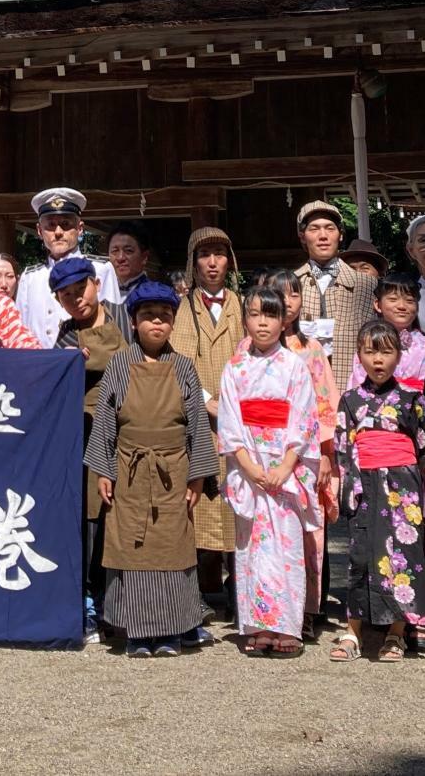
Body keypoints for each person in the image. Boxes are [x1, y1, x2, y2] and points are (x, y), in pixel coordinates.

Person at [84, 279, 217, 656]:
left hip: (173, 471)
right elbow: (106, 421)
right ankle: (138, 633)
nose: (156, 324)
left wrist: (198, 476)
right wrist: (105, 471)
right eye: (147, 317)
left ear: (172, 323)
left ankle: (174, 630)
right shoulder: (120, 364)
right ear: (135, 321)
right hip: (128, 469)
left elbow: (196, 423)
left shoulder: (184, 367)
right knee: (132, 550)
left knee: (171, 550)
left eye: (163, 317)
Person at [217, 282, 321, 657]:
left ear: (283, 320)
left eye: (271, 315)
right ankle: (259, 625)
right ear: (245, 319)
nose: (262, 323)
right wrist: (248, 467)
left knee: (286, 546)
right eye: (255, 314)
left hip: (284, 467)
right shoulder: (235, 368)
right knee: (252, 549)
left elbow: (305, 420)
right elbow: (229, 422)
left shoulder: (294, 365)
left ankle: (287, 626)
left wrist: (285, 466)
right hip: (250, 467)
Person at [241, 270, 339, 641]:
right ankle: (260, 613)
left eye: (294, 293)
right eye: (279, 295)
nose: (288, 300)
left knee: (308, 533)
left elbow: (323, 405)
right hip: (256, 452)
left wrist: (324, 452)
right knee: (260, 538)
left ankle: (307, 608)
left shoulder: (311, 350)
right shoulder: (243, 353)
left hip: (301, 452)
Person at [332, 317, 425, 663]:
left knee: (401, 557)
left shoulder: (412, 399)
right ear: (359, 356)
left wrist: (412, 478)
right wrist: (350, 484)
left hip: (402, 486)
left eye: (386, 352)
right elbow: (343, 447)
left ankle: (396, 633)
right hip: (365, 481)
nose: (378, 360)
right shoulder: (349, 401)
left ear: (399, 356)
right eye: (370, 352)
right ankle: (353, 632)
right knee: (360, 557)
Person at [52, 253, 127, 639]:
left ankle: (132, 605)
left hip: (132, 430)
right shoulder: (65, 335)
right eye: (65, 295)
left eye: (80, 288)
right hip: (87, 436)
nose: (75, 299)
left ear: (96, 284)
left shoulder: (127, 317)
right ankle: (92, 602)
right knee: (92, 521)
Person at [171, 225, 243, 611]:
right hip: (198, 421)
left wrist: (231, 404)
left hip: (242, 422)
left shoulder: (245, 304)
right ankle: (197, 592)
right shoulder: (185, 308)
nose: (212, 262)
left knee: (239, 506)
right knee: (200, 504)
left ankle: (243, 589)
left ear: (230, 260)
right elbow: (181, 362)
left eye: (219, 253)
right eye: (204, 254)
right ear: (193, 262)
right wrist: (205, 401)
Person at [15, 189, 122, 347]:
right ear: (39, 230)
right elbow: (21, 330)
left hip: (87, 365)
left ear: (80, 228)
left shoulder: (101, 269)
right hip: (39, 366)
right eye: (51, 225)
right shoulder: (30, 277)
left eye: (65, 224)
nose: (58, 232)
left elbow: (114, 325)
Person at [294, 200, 371, 389]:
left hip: (354, 390)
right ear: (302, 236)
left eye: (330, 228)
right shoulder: (290, 286)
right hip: (302, 389)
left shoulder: (368, 286)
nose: (323, 236)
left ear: (341, 234)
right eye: (314, 229)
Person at [105, 221, 155, 296]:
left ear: (144, 257)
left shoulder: (156, 295)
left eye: (128, 251)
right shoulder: (99, 291)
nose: (120, 258)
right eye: (115, 251)